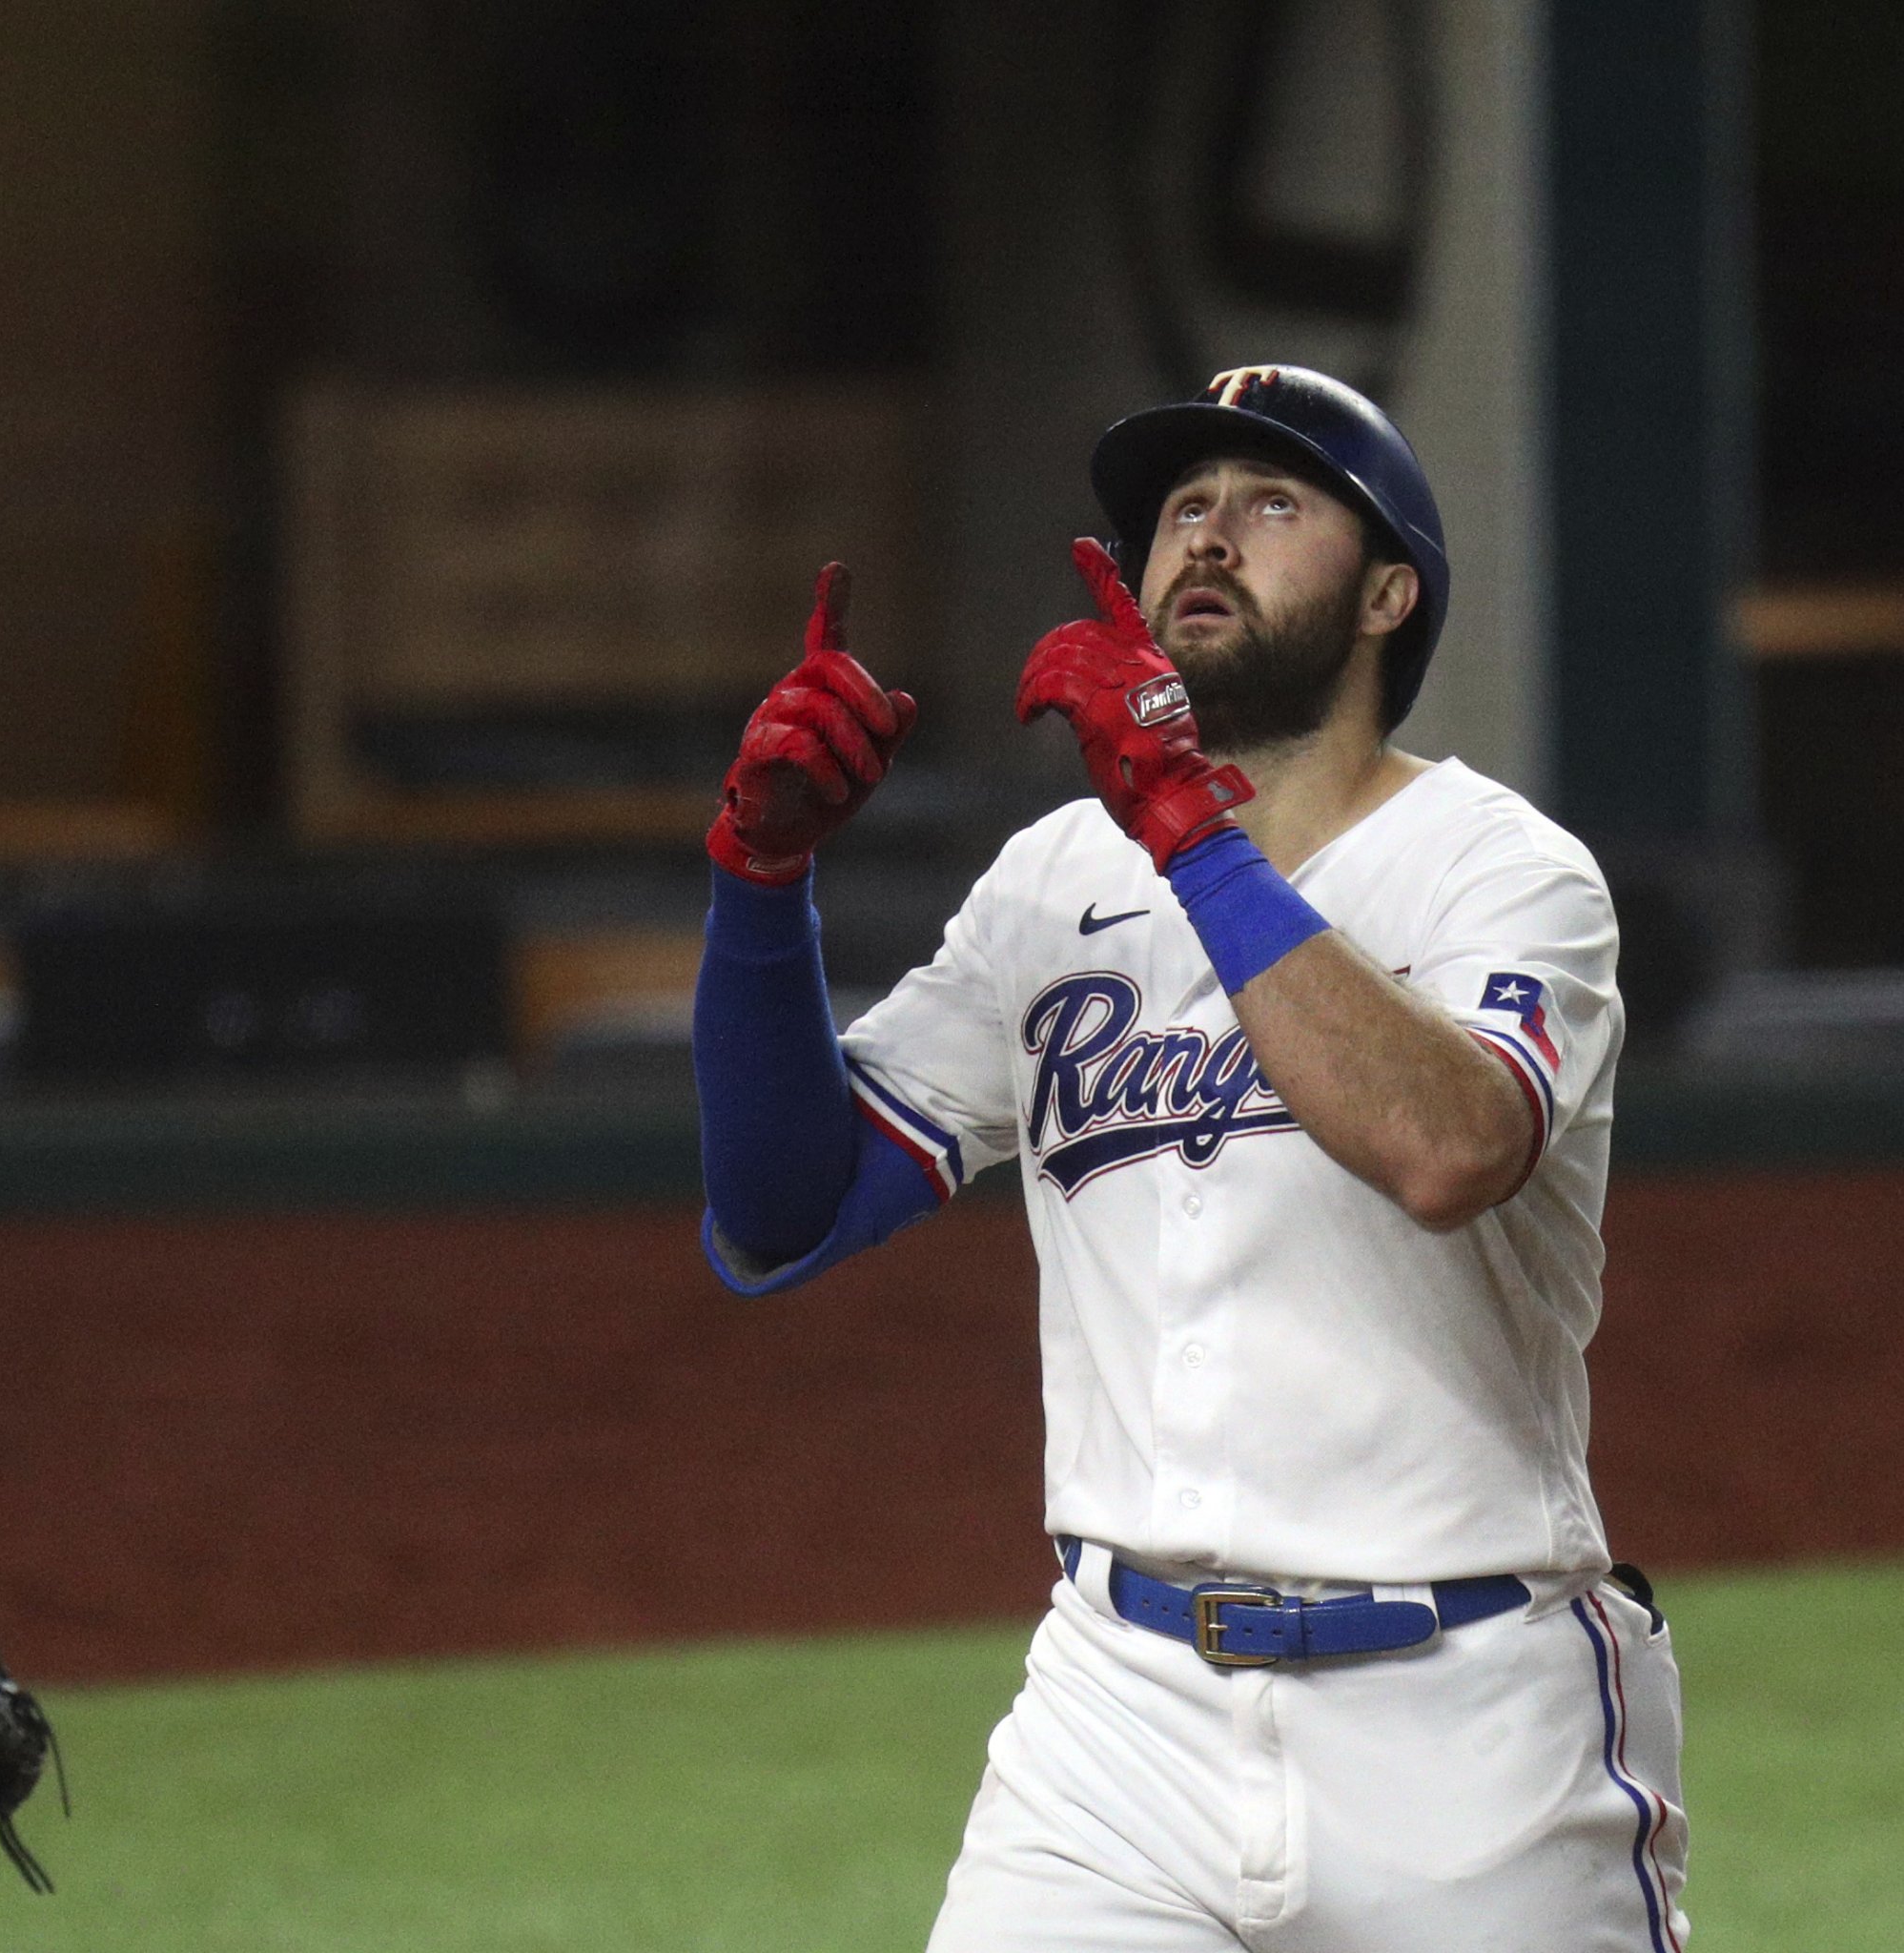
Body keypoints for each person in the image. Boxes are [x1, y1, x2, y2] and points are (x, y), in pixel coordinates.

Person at [694, 365, 1687, 1950]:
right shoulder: (1055, 881)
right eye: (1182, 510)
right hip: (1120, 1720)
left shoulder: (1503, 870)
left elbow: (1448, 1146)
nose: (1208, 536)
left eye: (1273, 503)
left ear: (1388, 593)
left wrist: (1187, 825)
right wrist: (761, 880)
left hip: (1472, 1725)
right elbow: (776, 1213)